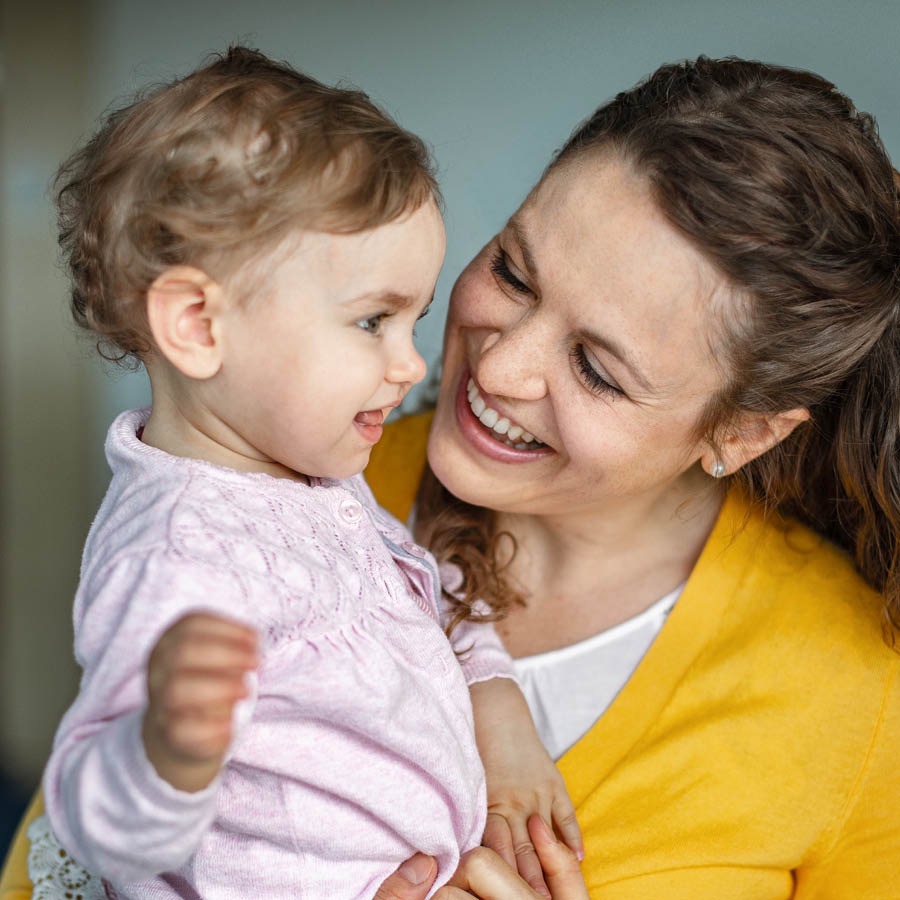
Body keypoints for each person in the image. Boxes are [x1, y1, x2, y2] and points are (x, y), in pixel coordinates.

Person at [4, 52, 900, 899]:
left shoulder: (857, 702)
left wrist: (492, 698)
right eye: (513, 272)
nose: (498, 369)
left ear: (742, 434)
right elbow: (66, 857)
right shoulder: (294, 482)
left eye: (596, 369)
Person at [28, 46, 580, 900]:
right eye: (371, 321)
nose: (410, 365)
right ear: (199, 327)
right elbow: (91, 820)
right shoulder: (179, 555)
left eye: (414, 320)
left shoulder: (308, 475)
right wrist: (163, 754)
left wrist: (496, 699)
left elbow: (420, 594)